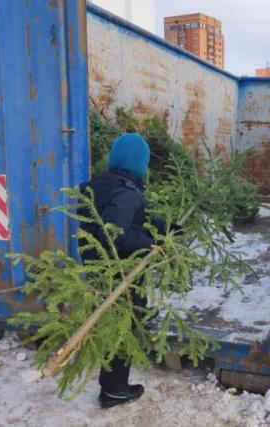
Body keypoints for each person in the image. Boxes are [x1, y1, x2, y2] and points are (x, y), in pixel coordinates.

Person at [79, 132, 162, 409]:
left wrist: (164, 227)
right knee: (123, 326)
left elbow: (129, 220)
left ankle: (113, 385)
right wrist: (150, 244)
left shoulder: (105, 184)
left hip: (99, 267)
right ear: (140, 163)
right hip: (119, 271)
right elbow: (115, 234)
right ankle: (114, 390)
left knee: (119, 321)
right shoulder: (126, 192)